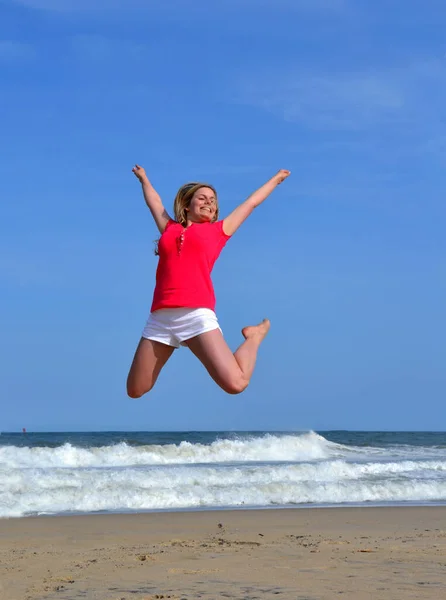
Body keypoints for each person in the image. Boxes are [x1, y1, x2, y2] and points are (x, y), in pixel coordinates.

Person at [126, 165, 291, 398]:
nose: (208, 202)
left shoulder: (218, 231)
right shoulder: (169, 229)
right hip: (160, 319)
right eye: (201, 198)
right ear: (187, 205)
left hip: (196, 315)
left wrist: (276, 179)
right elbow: (154, 202)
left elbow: (251, 203)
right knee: (135, 389)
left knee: (236, 383)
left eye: (212, 201)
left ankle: (254, 336)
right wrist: (144, 179)